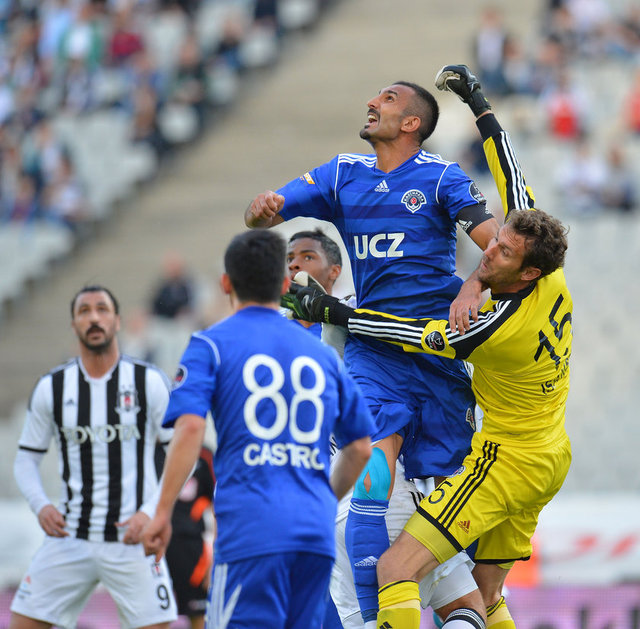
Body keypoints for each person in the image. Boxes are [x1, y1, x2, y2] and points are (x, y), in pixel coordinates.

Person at [283, 64, 573, 629]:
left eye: (503, 256)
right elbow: (510, 175)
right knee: (486, 601)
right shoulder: (549, 272)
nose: (488, 253)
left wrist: (337, 312)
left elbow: (411, 335)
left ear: (528, 273)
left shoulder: (489, 327)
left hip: (503, 460)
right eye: (498, 242)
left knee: (396, 568)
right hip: (550, 453)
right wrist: (480, 104)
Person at [246, 79, 500, 626]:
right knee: (371, 468)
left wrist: (471, 285)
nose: (371, 103)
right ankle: (374, 613)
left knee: (448, 498)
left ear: (412, 122)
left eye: (386, 99)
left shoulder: (441, 178)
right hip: (375, 347)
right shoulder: (343, 172)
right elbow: (263, 214)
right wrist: (262, 210)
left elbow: (497, 244)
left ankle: (465, 603)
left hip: (435, 351)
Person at [141, 229, 375, 628]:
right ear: (285, 284)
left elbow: (191, 429)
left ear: (226, 283)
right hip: (313, 533)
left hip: (251, 528)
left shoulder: (211, 344)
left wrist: (161, 512)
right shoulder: (322, 354)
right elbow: (360, 448)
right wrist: (322, 499)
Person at [10, 285, 178, 629]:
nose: (94, 317)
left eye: (102, 309)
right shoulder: (52, 387)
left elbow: (181, 456)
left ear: (117, 321)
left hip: (133, 539)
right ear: (74, 325)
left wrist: (151, 512)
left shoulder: (149, 382)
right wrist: (41, 504)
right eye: (84, 311)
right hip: (69, 538)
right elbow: (25, 459)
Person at [154, 445, 215, 629]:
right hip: (154, 545)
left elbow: (219, 506)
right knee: (152, 615)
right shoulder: (147, 450)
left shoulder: (204, 455)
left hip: (191, 548)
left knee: (198, 613)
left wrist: (214, 557)